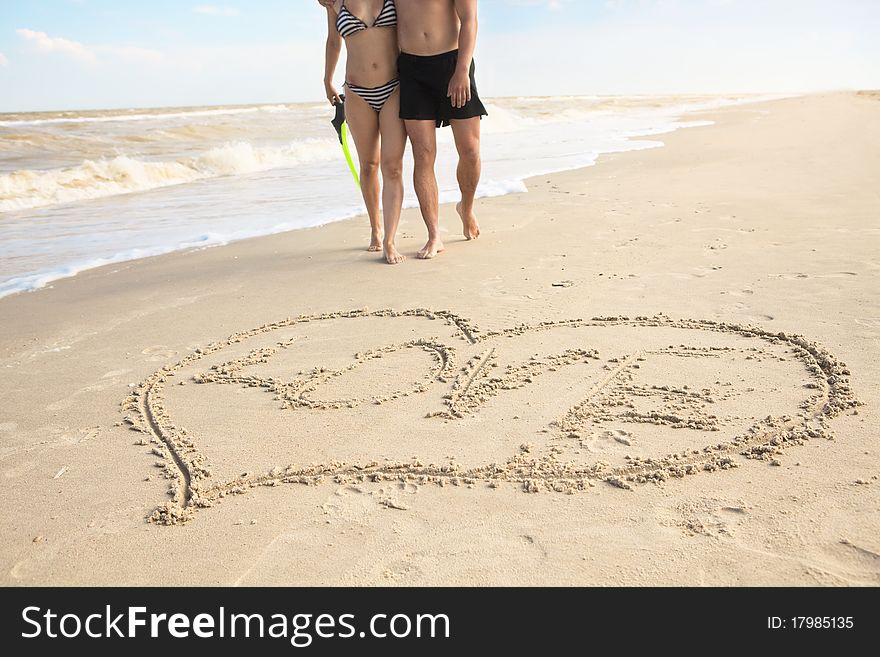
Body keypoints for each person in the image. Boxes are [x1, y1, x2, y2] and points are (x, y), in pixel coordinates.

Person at [321, 0, 487, 260]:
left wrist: (462, 69)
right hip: (410, 72)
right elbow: (338, 33)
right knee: (420, 154)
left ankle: (466, 208)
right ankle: (432, 235)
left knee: (470, 150)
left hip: (449, 63)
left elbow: (470, 20)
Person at [324, 0, 407, 264]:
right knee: (369, 164)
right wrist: (327, 80)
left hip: (394, 87)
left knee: (392, 166)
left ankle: (390, 240)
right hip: (357, 92)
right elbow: (333, 41)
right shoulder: (335, 3)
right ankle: (376, 227)